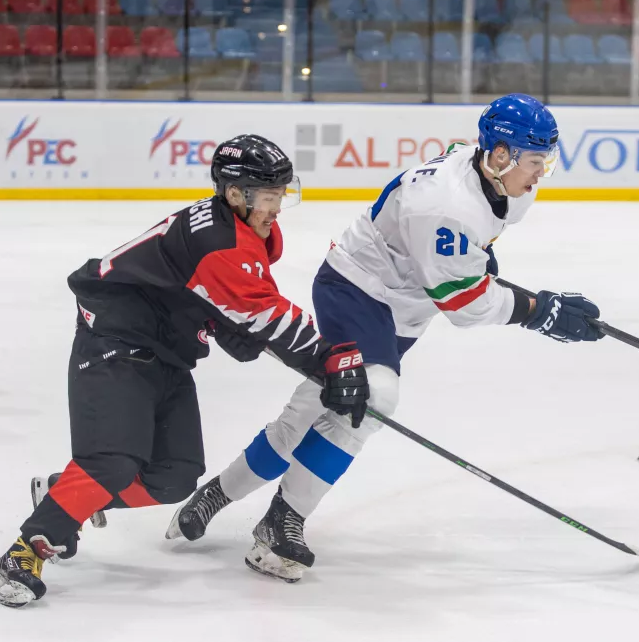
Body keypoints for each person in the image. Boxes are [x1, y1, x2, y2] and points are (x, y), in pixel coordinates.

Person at [165, 94, 605, 583]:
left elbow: (461, 227)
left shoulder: (494, 177)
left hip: (403, 310)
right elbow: (464, 304)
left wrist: (474, 256)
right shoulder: (444, 206)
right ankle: (280, 523)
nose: (541, 173)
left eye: (547, 161)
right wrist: (538, 311)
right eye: (536, 161)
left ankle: (218, 493)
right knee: (372, 398)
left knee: (313, 407)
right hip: (357, 288)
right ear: (500, 154)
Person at [0, 135, 370, 608]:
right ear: (235, 193)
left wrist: (225, 322)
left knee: (174, 477)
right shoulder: (219, 242)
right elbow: (266, 314)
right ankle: (22, 555)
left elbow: (236, 301)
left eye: (282, 194)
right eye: (269, 197)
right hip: (114, 343)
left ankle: (65, 494)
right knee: (112, 461)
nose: (277, 207)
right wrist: (330, 359)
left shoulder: (243, 231)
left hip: (165, 351)